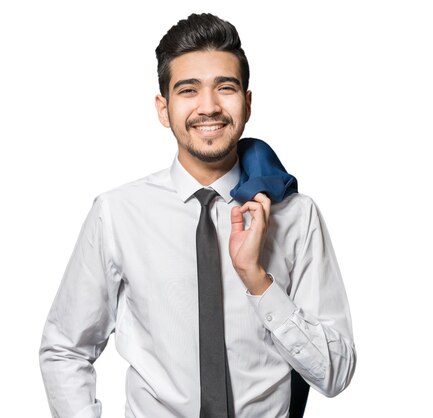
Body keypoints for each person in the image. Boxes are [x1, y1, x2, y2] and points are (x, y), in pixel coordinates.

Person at [39, 12, 356, 418]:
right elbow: (65, 347)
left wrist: (258, 282)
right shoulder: (118, 214)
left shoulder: (295, 215)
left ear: (248, 102)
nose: (209, 107)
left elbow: (336, 372)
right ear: (163, 108)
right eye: (188, 90)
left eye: (225, 88)